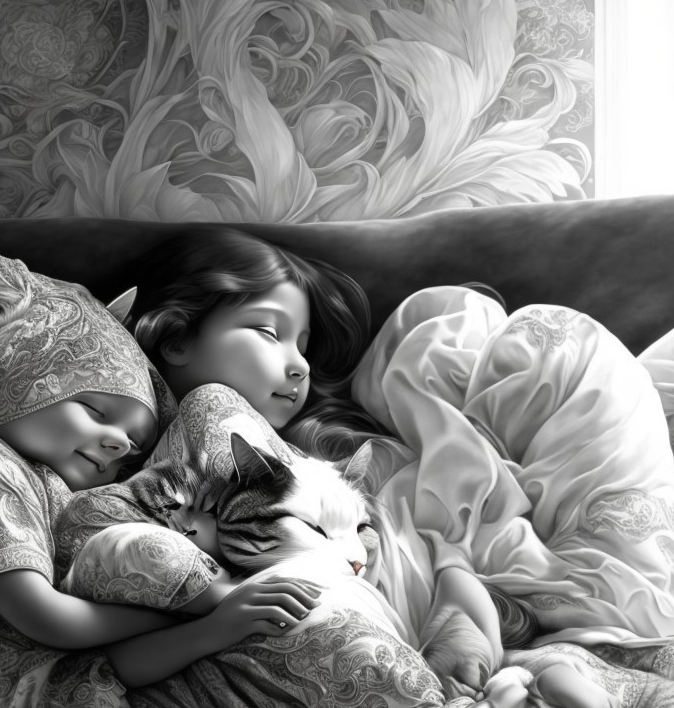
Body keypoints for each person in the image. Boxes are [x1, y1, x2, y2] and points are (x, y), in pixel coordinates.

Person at [0, 205, 321, 708]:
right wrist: (204, 607)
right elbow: (48, 619)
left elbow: (108, 666)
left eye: (133, 443)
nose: (119, 446)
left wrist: (217, 626)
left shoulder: (75, 500)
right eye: (93, 408)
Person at [112, 227, 619, 708]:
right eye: (270, 332)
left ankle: (541, 671)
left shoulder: (331, 453)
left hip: (432, 605)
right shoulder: (131, 463)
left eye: (304, 345)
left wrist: (460, 611)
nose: (300, 365)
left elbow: (440, 547)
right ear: (176, 337)